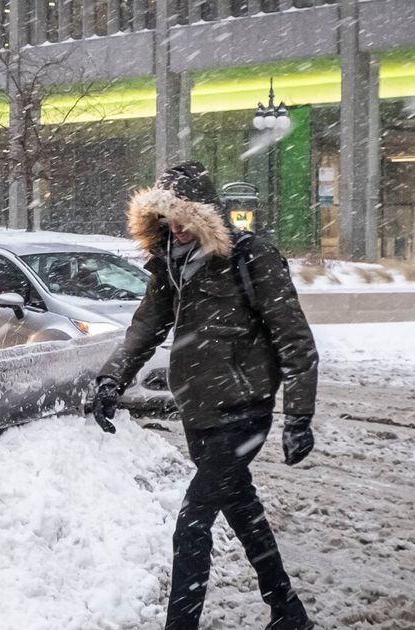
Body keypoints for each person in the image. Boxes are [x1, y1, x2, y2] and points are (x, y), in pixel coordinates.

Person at [93, 161, 318, 630]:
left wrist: (298, 417)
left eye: (182, 215)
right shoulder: (169, 263)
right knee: (243, 511)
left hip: (243, 411)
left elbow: (294, 339)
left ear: (204, 214)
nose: (174, 226)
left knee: (192, 523)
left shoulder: (250, 257)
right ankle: (288, 610)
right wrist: (112, 379)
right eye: (166, 215)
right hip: (199, 410)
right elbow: (145, 327)